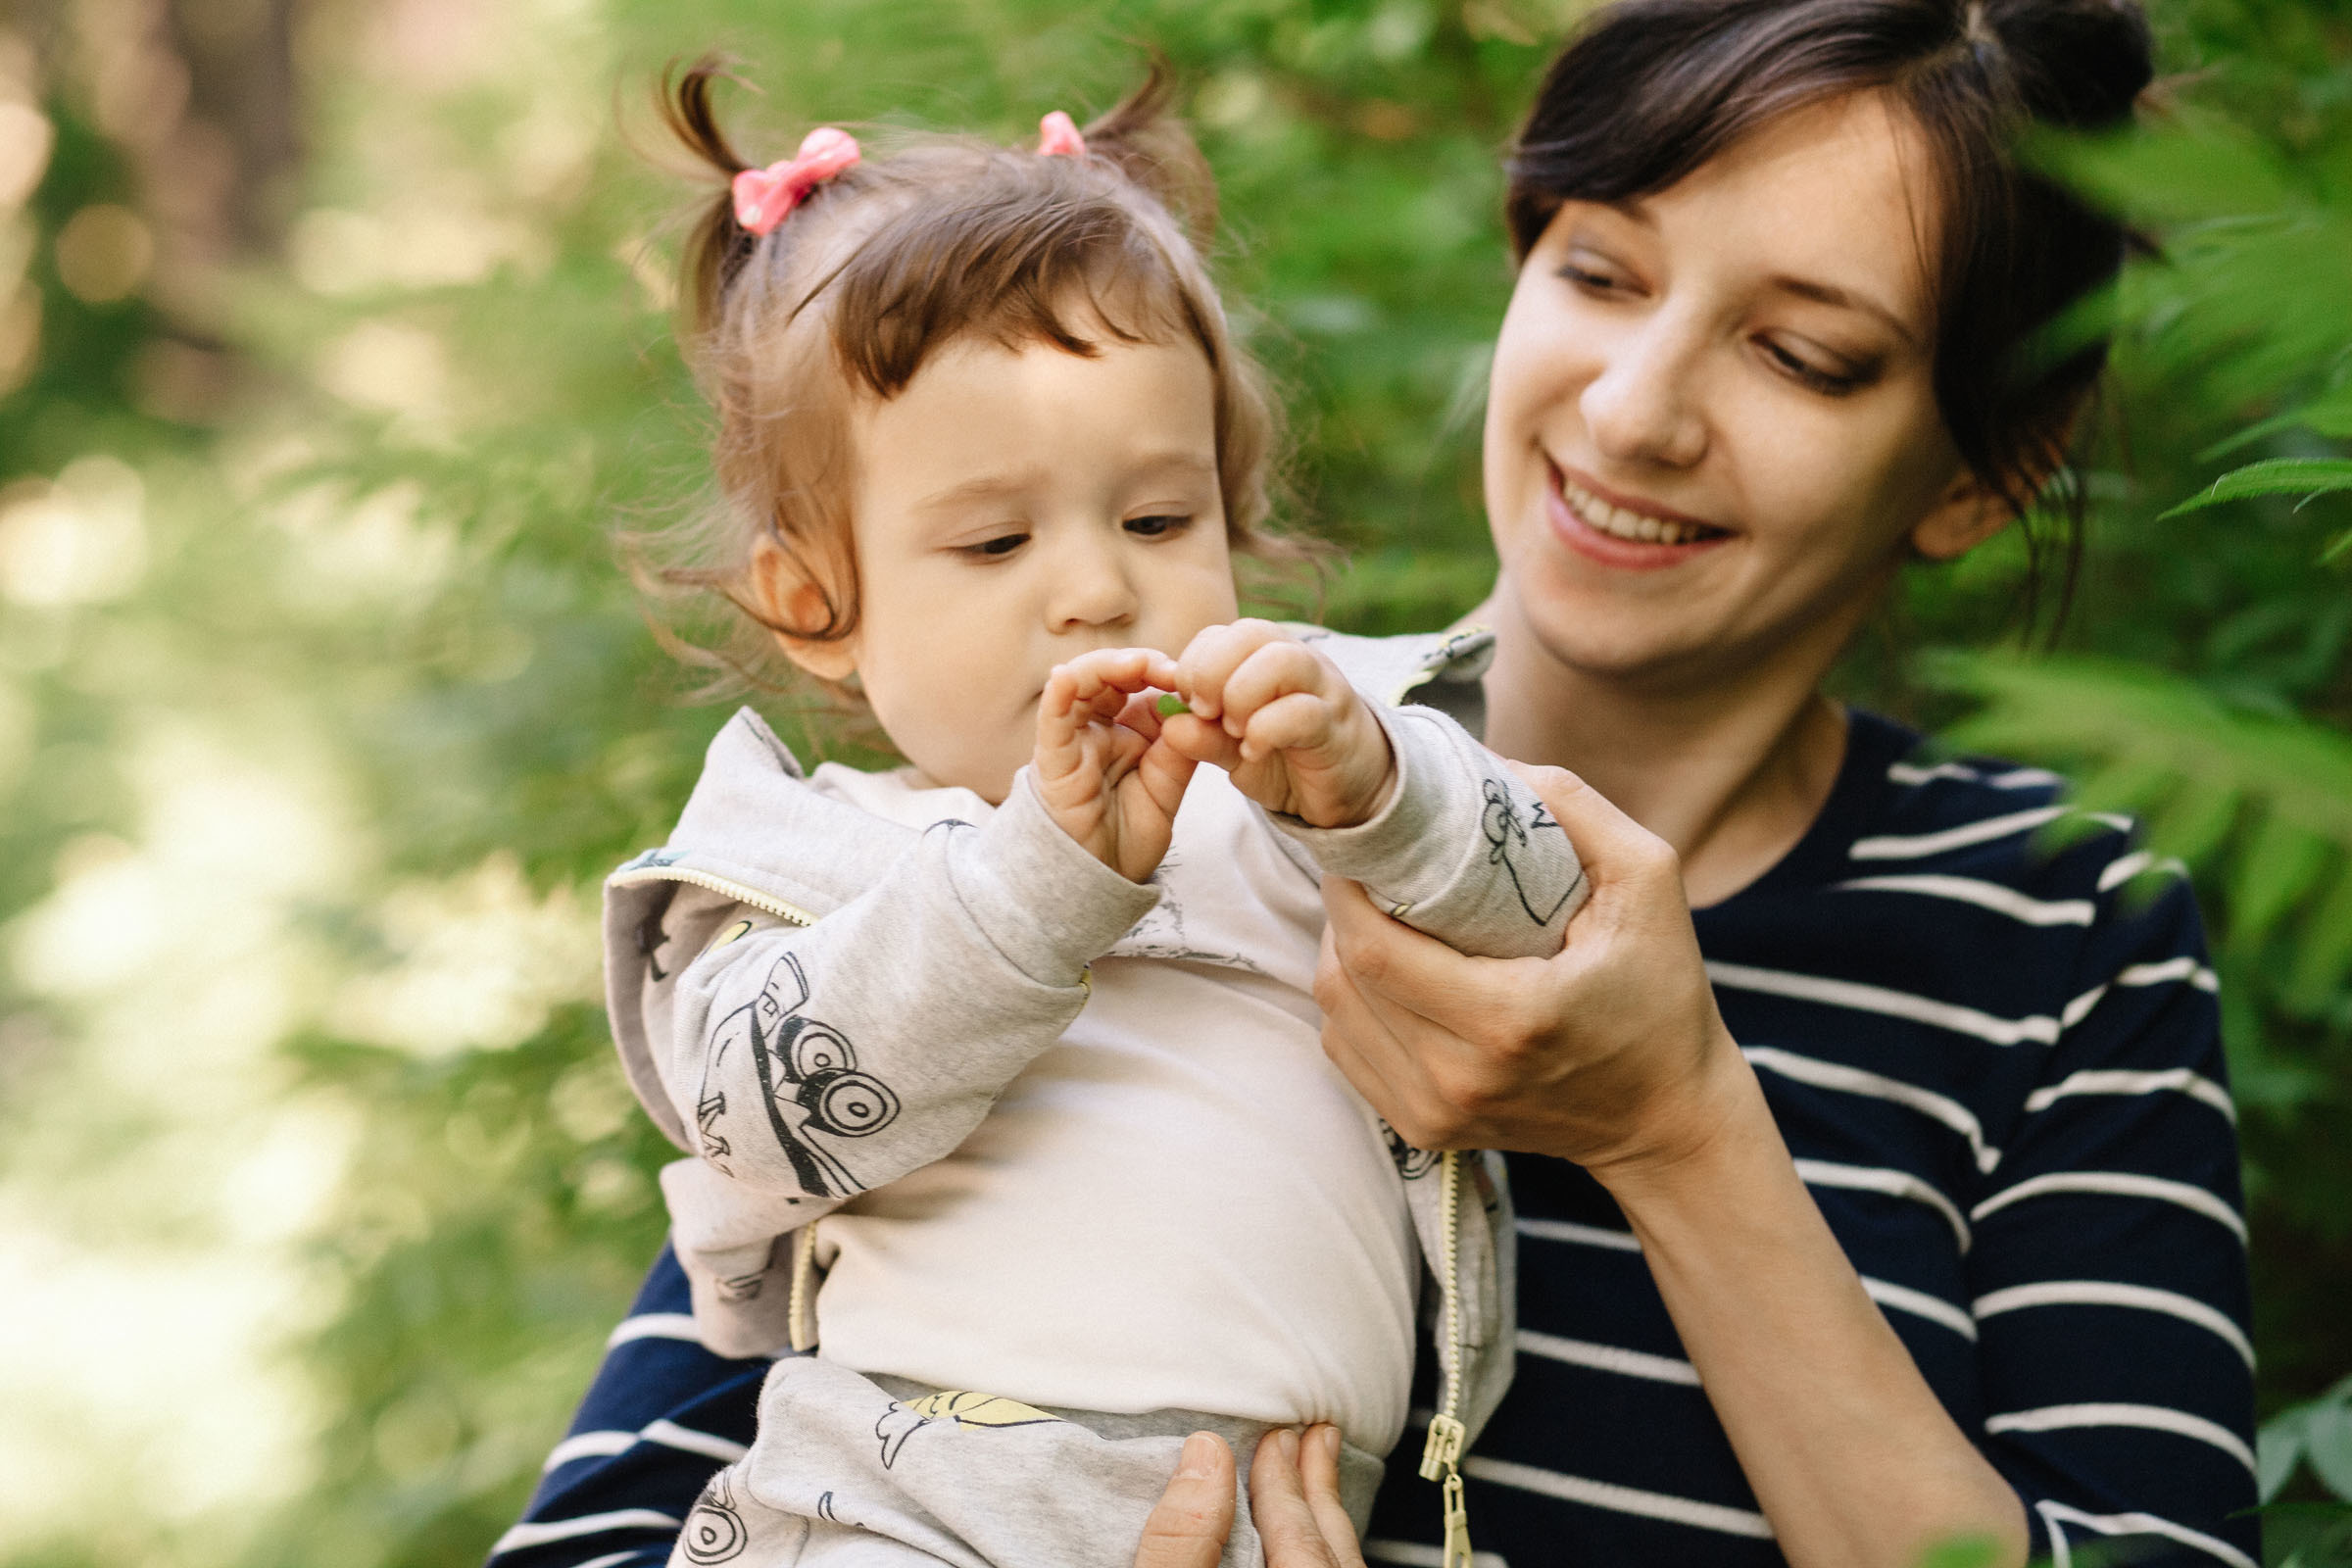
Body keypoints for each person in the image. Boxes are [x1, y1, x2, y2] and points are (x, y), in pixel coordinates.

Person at [489, 2, 2257, 1565]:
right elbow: (635, 1491)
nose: (1637, 408)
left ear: (1978, 475)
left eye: (1802, 352)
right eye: (1601, 273)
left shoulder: (2061, 939)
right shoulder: (1076, 823)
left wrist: (1678, 1125)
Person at [590, 66, 1587, 1568]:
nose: (1096, 587)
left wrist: (1383, 794)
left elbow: (1552, 914)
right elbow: (758, 1114)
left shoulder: (1316, 773)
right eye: (995, 539)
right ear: (813, 600)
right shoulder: (820, 857)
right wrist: (1037, 883)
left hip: (1296, 1524)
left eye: (1158, 520)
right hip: (907, 1505)